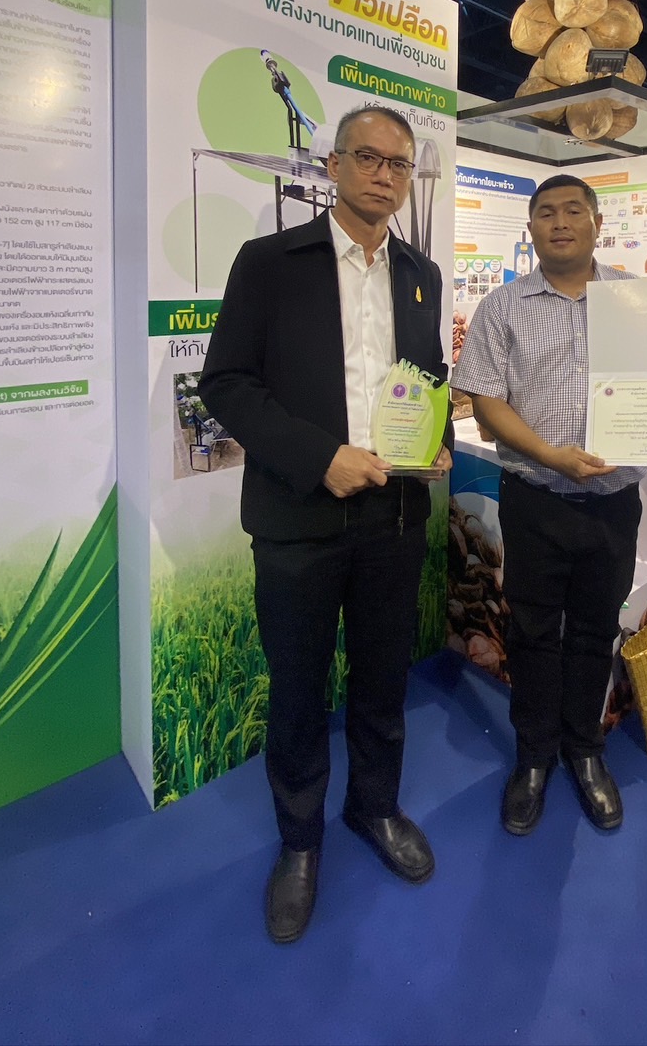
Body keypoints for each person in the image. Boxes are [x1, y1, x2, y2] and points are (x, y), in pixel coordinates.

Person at [199, 104, 452, 944]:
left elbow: (426, 378)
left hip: (393, 514)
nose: (384, 175)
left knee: (382, 681)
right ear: (334, 166)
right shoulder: (270, 262)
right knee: (299, 688)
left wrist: (438, 441)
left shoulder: (420, 273)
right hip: (298, 515)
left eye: (398, 164)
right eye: (368, 158)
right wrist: (320, 457)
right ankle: (300, 839)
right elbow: (226, 382)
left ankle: (373, 808)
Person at [451, 175, 647, 836]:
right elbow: (486, 401)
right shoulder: (503, 307)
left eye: (573, 210)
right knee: (531, 632)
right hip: (534, 498)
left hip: (612, 502)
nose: (559, 221)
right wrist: (551, 455)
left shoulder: (638, 303)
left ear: (597, 223)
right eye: (545, 212)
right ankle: (532, 756)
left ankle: (584, 748)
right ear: (530, 228)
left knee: (593, 630)